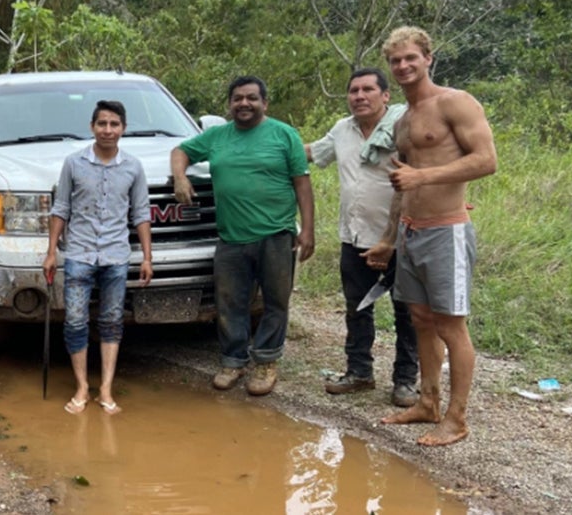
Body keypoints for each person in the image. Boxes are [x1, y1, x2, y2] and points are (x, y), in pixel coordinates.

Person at [363, 26, 497, 446]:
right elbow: (401, 185)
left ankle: (456, 419)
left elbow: (486, 160)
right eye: (395, 61)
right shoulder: (402, 122)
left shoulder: (455, 102)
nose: (402, 66)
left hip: (447, 231)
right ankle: (428, 402)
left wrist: (425, 175)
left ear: (428, 58)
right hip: (410, 234)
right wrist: (388, 238)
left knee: (451, 326)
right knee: (420, 320)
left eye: (410, 58)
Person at [170, 76, 314, 396]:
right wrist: (180, 177)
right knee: (230, 302)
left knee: (276, 301)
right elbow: (180, 150)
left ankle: (265, 361)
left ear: (265, 102)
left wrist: (308, 229)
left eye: (251, 98)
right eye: (237, 98)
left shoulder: (284, 135)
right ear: (230, 104)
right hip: (231, 237)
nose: (244, 103)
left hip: (276, 235)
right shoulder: (217, 136)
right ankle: (233, 360)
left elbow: (302, 184)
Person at [305, 69, 420, 407]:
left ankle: (405, 382)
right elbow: (312, 152)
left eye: (368, 89)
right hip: (353, 237)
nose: (359, 96)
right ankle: (359, 373)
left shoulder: (404, 128)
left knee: (407, 313)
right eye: (353, 90)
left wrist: (392, 239)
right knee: (357, 309)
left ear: (386, 95)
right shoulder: (343, 130)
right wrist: (267, 145)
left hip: (402, 238)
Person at [43, 100, 153, 416]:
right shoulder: (74, 163)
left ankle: (106, 387)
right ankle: (82, 387)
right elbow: (60, 208)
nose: (108, 130)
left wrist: (147, 257)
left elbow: (141, 213)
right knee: (76, 320)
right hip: (78, 252)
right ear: (92, 127)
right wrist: (51, 252)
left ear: (123, 128)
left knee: (111, 320)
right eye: (102, 123)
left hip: (116, 255)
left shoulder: (133, 167)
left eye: (114, 124)